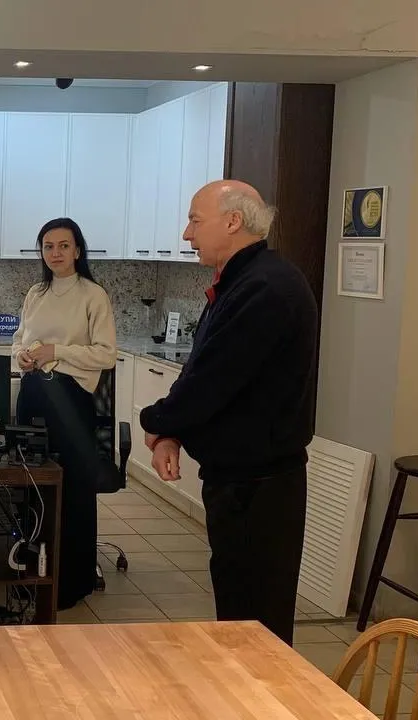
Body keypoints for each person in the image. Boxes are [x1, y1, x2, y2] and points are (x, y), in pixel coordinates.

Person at [139, 180, 318, 645]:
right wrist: (171, 432)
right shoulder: (241, 281)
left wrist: (155, 423)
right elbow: (199, 369)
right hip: (238, 481)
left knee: (257, 626)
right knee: (237, 610)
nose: (187, 234)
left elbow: (212, 381)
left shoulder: (266, 287)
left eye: (195, 221)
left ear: (233, 221)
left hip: (260, 488)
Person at [11, 218, 117, 610]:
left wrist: (56, 351)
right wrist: (22, 356)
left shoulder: (93, 295)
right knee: (30, 486)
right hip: (34, 396)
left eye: (63, 245)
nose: (55, 253)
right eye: (48, 246)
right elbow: (19, 340)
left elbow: (107, 354)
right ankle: (29, 573)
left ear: (77, 250)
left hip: (72, 402)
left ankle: (70, 583)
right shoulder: (36, 293)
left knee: (71, 492)